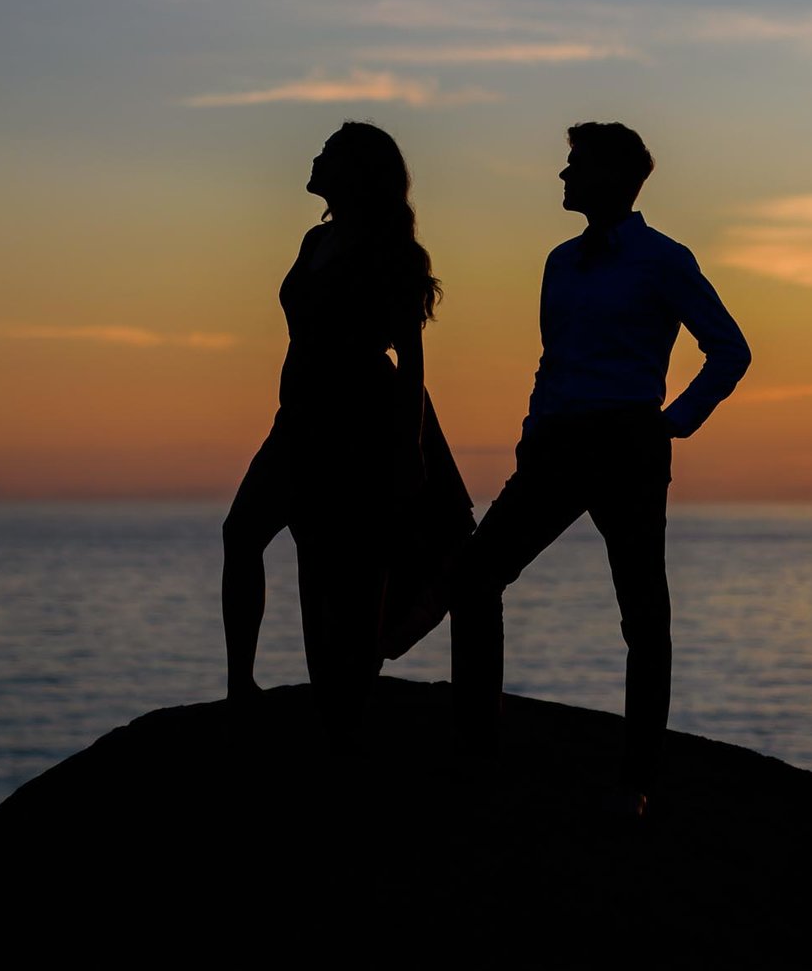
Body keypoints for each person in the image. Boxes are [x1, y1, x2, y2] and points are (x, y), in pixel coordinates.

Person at [445, 121, 749, 813]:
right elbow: (554, 358)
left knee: (643, 613)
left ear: (614, 176)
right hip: (557, 441)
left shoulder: (663, 259)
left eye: (575, 165)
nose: (563, 175)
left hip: (627, 443)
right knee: (475, 573)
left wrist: (673, 420)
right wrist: (531, 430)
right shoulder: (560, 260)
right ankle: (476, 750)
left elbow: (729, 349)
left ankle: (635, 782)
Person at [221, 122, 475, 746]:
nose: (313, 156)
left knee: (349, 570)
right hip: (301, 415)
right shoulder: (316, 239)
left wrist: (410, 446)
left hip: (361, 416)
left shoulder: (388, 250)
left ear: (355, 171)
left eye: (328, 153)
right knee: (244, 534)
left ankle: (344, 714)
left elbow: (412, 357)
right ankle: (241, 688)